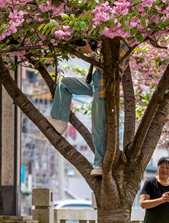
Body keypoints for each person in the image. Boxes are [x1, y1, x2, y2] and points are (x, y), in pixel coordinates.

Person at [46, 39, 128, 178]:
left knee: (98, 128)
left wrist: (90, 52)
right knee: (65, 83)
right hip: (96, 84)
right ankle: (60, 119)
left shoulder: (122, 44)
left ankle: (100, 164)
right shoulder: (106, 40)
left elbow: (108, 66)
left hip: (105, 91)